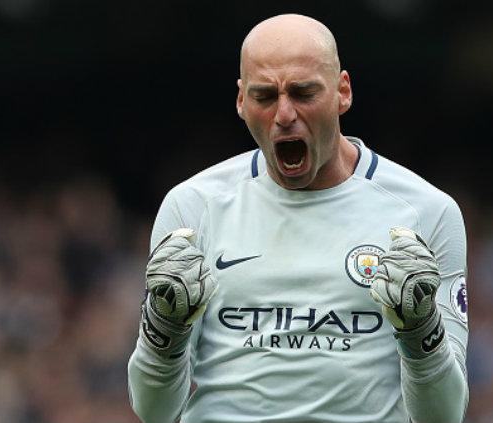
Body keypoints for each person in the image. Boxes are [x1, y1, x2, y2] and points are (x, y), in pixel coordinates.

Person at [128, 14, 469, 423]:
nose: (284, 114)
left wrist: (421, 332)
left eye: (303, 92)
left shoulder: (426, 212)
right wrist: (164, 330)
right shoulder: (193, 208)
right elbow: (153, 412)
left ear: (343, 92)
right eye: (265, 96)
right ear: (241, 101)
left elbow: (445, 416)